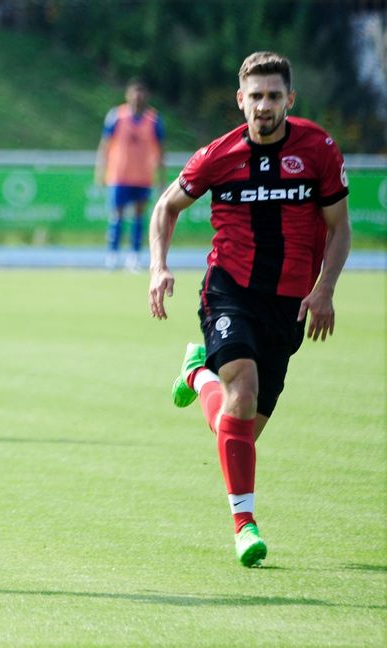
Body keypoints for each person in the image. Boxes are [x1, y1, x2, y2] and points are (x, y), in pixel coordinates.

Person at [148, 51, 351, 567]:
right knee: (242, 394)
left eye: (274, 96)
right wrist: (158, 266)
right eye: (255, 96)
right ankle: (245, 526)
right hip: (229, 289)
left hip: (291, 302)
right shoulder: (219, 154)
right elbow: (166, 206)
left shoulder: (318, 149)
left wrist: (324, 288)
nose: (264, 106)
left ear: (289, 99)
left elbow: (339, 226)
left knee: (238, 428)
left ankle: (197, 375)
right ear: (240, 100)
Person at [95, 77, 165, 271]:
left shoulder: (154, 120)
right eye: (135, 91)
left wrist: (161, 177)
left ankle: (134, 256)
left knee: (139, 218)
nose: (138, 96)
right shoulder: (116, 116)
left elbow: (161, 151)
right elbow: (105, 145)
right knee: (116, 216)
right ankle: (112, 255)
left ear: (146, 95)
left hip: (143, 177)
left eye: (141, 92)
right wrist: (100, 170)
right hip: (119, 175)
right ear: (128, 94)